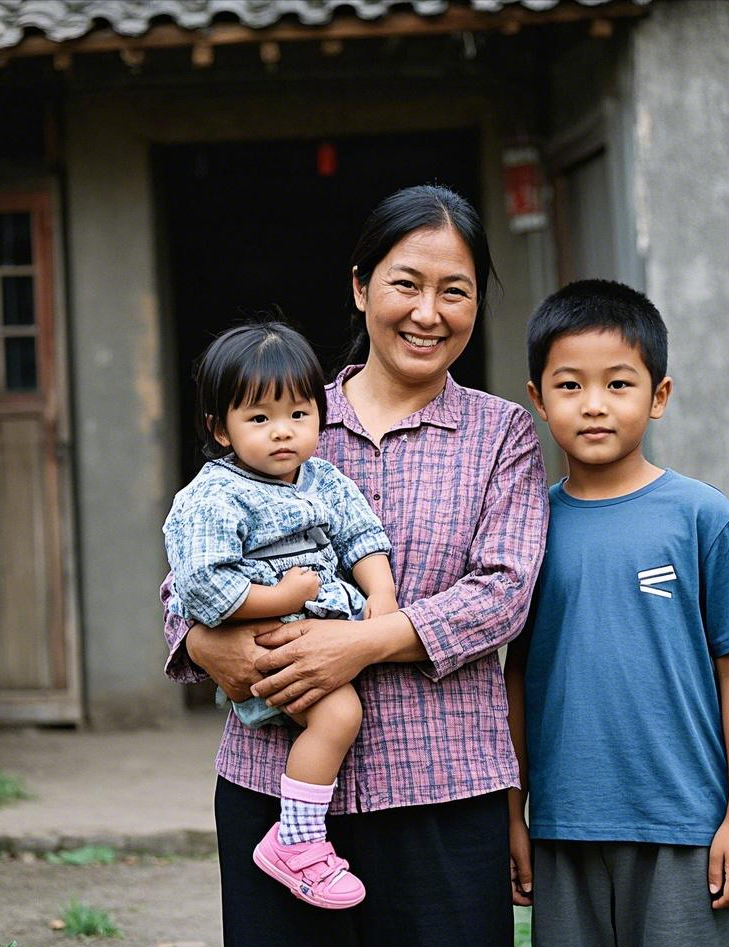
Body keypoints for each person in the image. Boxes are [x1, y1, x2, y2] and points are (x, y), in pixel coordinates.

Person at [161, 185, 549, 947]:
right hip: (271, 784)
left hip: (442, 786)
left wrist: (361, 640)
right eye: (405, 283)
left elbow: (503, 593)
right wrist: (206, 644)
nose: (427, 312)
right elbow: (185, 583)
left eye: (454, 291)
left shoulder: (501, 434)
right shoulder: (277, 417)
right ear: (360, 286)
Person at [505, 279, 729, 947]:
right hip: (563, 824)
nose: (594, 405)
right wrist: (512, 814)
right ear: (538, 399)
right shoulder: (526, 524)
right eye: (569, 386)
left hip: (681, 823)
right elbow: (514, 677)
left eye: (618, 384)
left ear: (658, 396)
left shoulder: (699, 516)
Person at [163, 321, 399, 909]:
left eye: (299, 414)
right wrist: (282, 598)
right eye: (259, 419)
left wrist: (383, 599)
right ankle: (295, 839)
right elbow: (203, 586)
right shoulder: (212, 496)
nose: (283, 433)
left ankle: (301, 836)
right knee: (339, 714)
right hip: (267, 643)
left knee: (343, 711)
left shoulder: (323, 479)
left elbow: (362, 534)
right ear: (221, 430)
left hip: (324, 632)